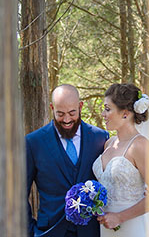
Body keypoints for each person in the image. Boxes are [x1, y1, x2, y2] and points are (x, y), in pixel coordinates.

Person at [26, 85, 109, 237]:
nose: (66, 120)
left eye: (72, 113)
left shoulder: (100, 137)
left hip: (92, 231)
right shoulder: (34, 142)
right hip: (50, 231)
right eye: (60, 114)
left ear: (80, 106)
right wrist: (29, 231)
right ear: (52, 108)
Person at [92, 83, 149, 237]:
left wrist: (120, 217)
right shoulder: (109, 143)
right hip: (105, 228)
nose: (103, 114)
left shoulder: (140, 145)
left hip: (131, 228)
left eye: (107, 109)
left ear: (125, 113)